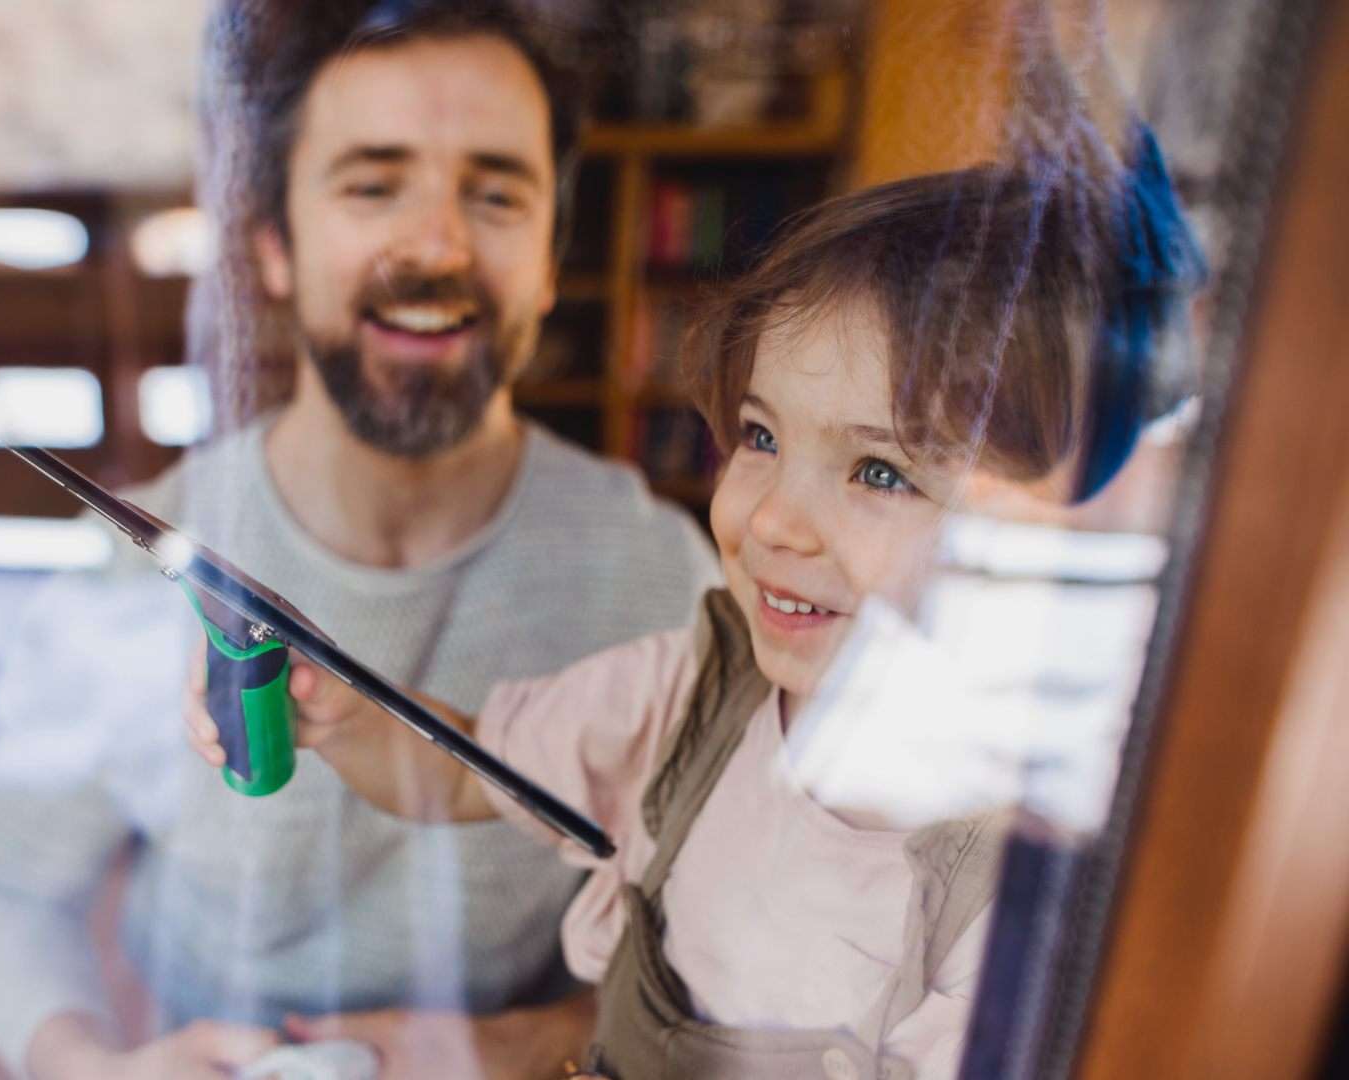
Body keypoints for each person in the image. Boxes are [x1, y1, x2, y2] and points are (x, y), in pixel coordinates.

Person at [189, 162, 1161, 1078]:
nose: (771, 519)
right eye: (759, 436)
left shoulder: (1016, 892)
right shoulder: (694, 693)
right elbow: (468, 767)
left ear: (1041, 539)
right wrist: (344, 711)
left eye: (879, 472)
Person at [0, 2, 721, 1077]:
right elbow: (4, 884)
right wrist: (91, 1065)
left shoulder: (665, 579)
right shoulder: (134, 561)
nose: (436, 245)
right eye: (372, 184)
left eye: (495, 193)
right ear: (273, 247)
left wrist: (538, 1044)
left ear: (548, 260)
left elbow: (728, 935)